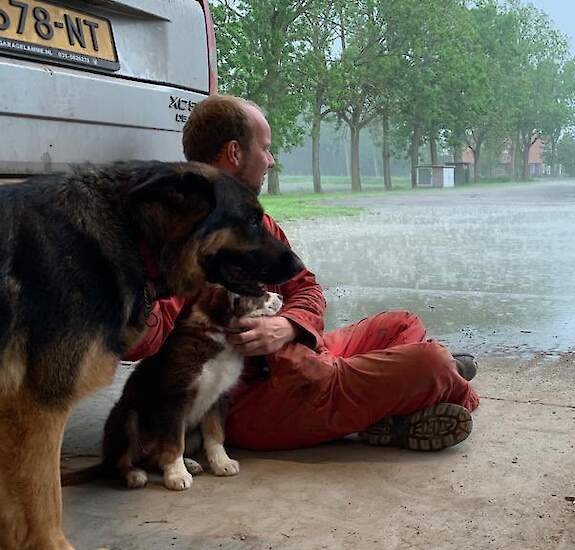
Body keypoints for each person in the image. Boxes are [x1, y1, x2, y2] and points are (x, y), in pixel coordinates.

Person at [124, 95, 479, 452]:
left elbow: (306, 287)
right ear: (234, 152)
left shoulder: (256, 222)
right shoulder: (183, 236)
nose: (271, 160)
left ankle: (390, 409)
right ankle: (431, 388)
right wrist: (137, 289)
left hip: (307, 356)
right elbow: (143, 341)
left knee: (402, 324)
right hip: (261, 396)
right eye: (264, 148)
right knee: (432, 363)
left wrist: (287, 325)